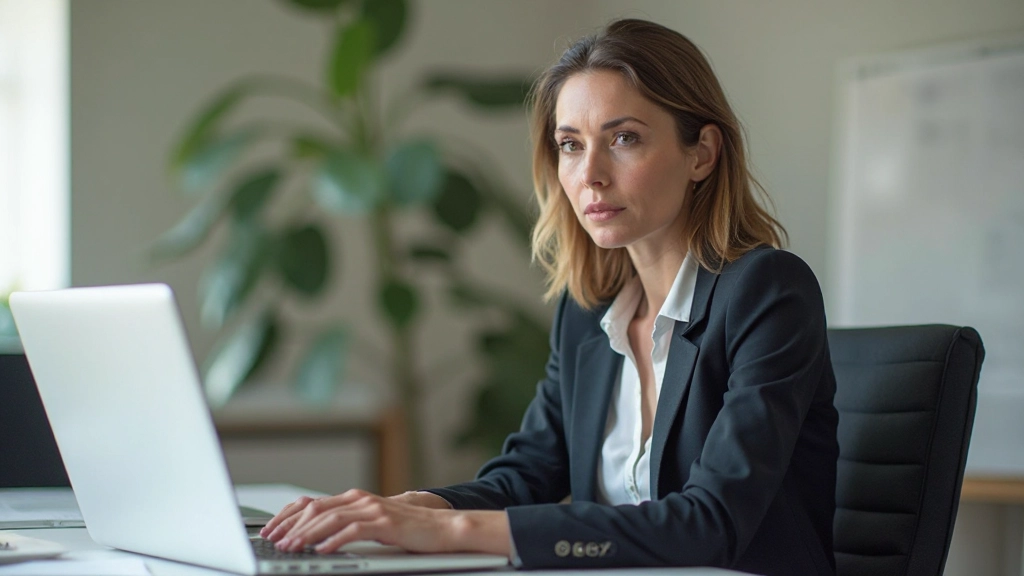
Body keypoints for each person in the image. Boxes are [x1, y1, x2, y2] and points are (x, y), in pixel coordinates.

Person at [260, 18, 838, 576]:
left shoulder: (766, 291)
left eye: (624, 138)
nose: (591, 174)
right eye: (570, 144)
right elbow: (527, 474)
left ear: (702, 153)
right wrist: (404, 508)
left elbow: (710, 522)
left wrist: (453, 530)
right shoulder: (588, 313)